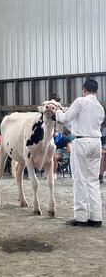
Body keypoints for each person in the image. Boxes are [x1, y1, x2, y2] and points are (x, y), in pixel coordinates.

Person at [56, 79, 104, 228]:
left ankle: (81, 217)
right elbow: (79, 122)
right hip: (96, 143)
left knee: (79, 179)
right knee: (93, 181)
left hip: (82, 142)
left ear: (84, 90)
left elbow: (64, 119)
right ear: (96, 91)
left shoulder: (80, 101)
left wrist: (57, 110)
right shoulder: (100, 108)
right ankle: (96, 218)